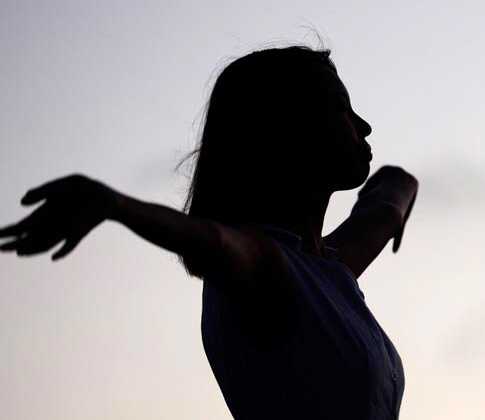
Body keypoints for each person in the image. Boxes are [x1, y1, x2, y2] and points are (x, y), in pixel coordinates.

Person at [0, 44, 418, 420]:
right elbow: (214, 242)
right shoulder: (269, 268)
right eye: (341, 108)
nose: (363, 125)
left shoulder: (328, 266)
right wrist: (115, 205)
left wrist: (394, 188)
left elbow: (391, 199)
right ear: (283, 130)